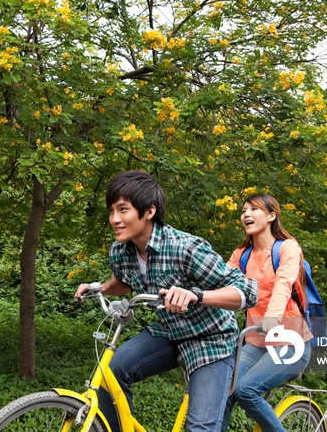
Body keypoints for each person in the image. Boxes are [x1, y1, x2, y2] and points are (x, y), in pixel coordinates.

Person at [74, 170, 258, 432]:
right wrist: (100, 288)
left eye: (123, 210)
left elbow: (247, 291)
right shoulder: (120, 250)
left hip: (211, 340)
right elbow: (126, 282)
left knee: (200, 428)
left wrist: (197, 295)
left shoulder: (185, 248)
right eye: (112, 210)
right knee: (110, 373)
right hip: (169, 331)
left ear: (148, 211)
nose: (115, 219)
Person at [221, 194, 313, 432]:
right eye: (243, 210)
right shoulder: (241, 255)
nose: (246, 214)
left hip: (292, 342)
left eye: (254, 209)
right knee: (225, 390)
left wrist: (271, 316)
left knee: (246, 390)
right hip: (256, 341)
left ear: (272, 216)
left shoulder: (288, 248)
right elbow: (219, 283)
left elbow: (283, 282)